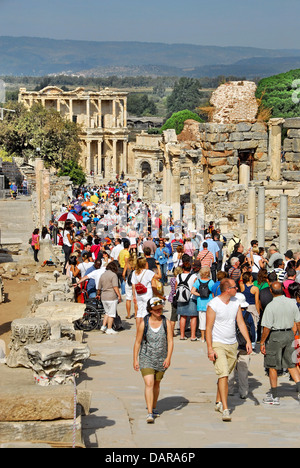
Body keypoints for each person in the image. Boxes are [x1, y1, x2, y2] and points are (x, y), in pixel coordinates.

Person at [206, 278, 252, 422]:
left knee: (223, 375)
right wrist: (209, 348)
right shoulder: (213, 305)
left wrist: (248, 341)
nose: (237, 289)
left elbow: (240, 322)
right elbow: (208, 328)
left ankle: (218, 401)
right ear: (227, 289)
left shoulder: (235, 303)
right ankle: (226, 409)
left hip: (233, 344)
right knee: (224, 375)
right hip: (218, 344)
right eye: (235, 287)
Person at [133, 297, 174, 424]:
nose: (159, 311)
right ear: (150, 310)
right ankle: (150, 412)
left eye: (160, 309)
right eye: (156, 309)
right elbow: (138, 342)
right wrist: (135, 359)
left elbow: (170, 341)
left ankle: (154, 406)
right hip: (146, 357)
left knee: (156, 384)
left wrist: (168, 357)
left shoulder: (166, 323)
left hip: (161, 358)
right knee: (149, 383)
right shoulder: (143, 323)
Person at [260, 281, 300, 405]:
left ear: (271, 291)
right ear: (282, 289)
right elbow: (298, 322)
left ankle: (274, 396)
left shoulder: (271, 306)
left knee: (273, 366)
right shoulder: (292, 303)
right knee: (291, 364)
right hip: (289, 334)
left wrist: (262, 342)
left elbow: (267, 327)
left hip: (275, 336)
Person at [228, 293, 255, 399]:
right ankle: (243, 391)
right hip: (244, 344)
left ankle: (229, 389)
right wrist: (251, 342)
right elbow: (252, 330)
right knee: (243, 369)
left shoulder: (230, 313)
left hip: (232, 343)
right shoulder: (248, 315)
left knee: (230, 368)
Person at [132, 257, 164, 331]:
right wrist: (158, 266)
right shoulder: (147, 272)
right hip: (147, 292)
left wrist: (134, 296)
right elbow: (159, 276)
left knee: (139, 312)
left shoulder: (134, 272)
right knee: (146, 311)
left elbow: (133, 285)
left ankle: (138, 330)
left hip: (138, 293)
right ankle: (144, 329)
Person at [175, 254, 198, 341]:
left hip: (181, 297)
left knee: (183, 316)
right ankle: (192, 336)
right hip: (191, 297)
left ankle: (182, 335)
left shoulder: (178, 276)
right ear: (190, 268)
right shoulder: (194, 277)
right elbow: (196, 287)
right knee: (193, 317)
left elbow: (176, 287)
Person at [98, 261, 122, 335]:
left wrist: (98, 294)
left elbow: (99, 287)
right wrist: (119, 295)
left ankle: (103, 326)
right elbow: (115, 286)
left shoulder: (102, 275)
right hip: (111, 296)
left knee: (107, 312)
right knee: (111, 313)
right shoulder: (113, 275)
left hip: (104, 296)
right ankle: (109, 328)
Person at [191, 266, 214, 342]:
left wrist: (200, 294)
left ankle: (202, 337)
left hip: (201, 303)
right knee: (210, 321)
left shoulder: (198, 281)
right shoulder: (211, 282)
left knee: (202, 321)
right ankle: (209, 337)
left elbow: (192, 291)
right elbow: (213, 292)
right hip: (209, 303)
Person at [239, 272, 260, 344]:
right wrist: (258, 312)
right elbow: (257, 302)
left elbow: (240, 280)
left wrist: (243, 273)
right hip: (252, 307)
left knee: (244, 325)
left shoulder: (242, 286)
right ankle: (253, 343)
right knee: (254, 326)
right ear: (251, 277)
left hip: (244, 307)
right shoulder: (255, 288)